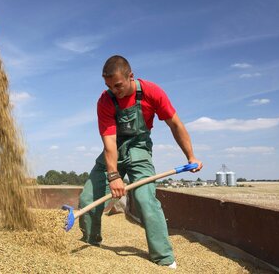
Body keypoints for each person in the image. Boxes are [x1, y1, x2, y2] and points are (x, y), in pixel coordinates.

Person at [78, 55, 203, 269]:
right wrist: (114, 175)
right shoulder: (105, 100)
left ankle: (163, 257)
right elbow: (109, 142)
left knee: (145, 198)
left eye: (117, 85)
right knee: (87, 198)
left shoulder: (151, 92)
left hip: (139, 149)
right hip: (114, 149)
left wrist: (190, 156)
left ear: (130, 76)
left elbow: (175, 124)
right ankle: (91, 243)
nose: (114, 90)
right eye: (109, 86)